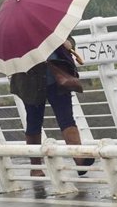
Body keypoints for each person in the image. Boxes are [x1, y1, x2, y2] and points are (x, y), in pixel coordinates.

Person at [10, 36, 94, 177]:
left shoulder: (47, 24)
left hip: (57, 77)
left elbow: (68, 38)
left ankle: (79, 158)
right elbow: (12, 59)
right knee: (34, 122)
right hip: (30, 82)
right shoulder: (15, 34)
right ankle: (35, 167)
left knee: (67, 118)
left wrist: (69, 43)